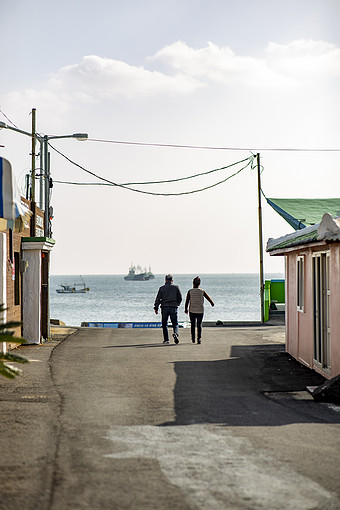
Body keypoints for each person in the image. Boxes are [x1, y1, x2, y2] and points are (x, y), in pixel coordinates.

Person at [185, 276, 214, 344]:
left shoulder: (190, 291)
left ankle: (193, 338)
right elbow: (208, 298)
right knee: (199, 325)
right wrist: (212, 303)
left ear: (193, 283)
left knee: (192, 324)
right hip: (200, 310)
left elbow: (187, 301)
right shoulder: (202, 291)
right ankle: (199, 338)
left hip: (192, 310)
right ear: (199, 283)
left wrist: (185, 309)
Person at [154, 274, 182, 344]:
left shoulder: (162, 288)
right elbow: (180, 298)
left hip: (164, 307)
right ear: (172, 280)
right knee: (175, 323)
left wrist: (156, 307)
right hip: (173, 307)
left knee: (164, 324)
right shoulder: (176, 287)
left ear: (165, 280)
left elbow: (158, 299)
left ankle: (166, 340)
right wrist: (177, 304)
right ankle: (175, 333)